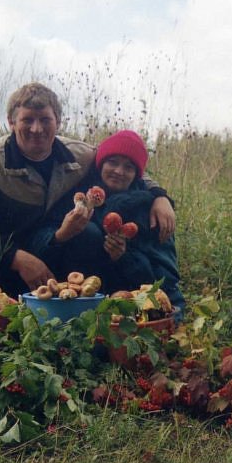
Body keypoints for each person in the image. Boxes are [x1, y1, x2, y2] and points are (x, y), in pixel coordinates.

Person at [0, 83, 176, 298]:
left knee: (89, 236)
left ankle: (76, 307)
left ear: (58, 121)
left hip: (52, 248)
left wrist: (159, 196)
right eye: (27, 120)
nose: (36, 129)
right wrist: (16, 258)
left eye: (45, 120)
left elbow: (123, 164)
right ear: (11, 123)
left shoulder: (79, 154)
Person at [30, 130, 185, 320]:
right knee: (89, 233)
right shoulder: (78, 196)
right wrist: (61, 235)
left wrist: (123, 257)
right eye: (112, 162)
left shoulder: (151, 212)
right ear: (101, 164)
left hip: (127, 304)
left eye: (129, 167)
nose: (119, 171)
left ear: (137, 174)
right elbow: (37, 244)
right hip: (74, 293)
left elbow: (163, 281)